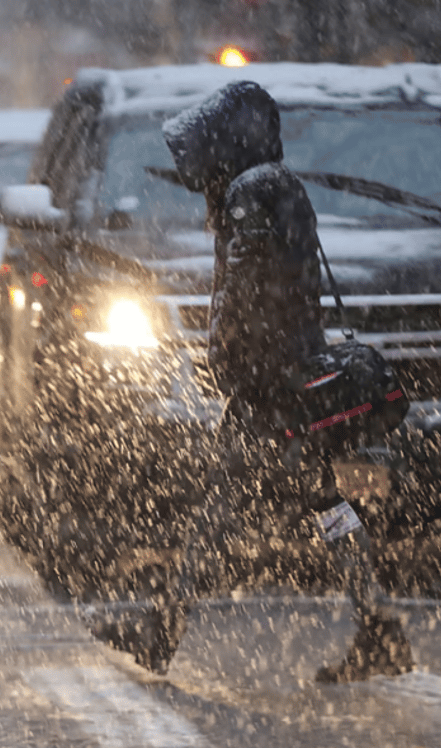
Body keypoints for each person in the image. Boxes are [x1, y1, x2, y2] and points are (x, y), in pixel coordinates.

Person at [90, 81, 415, 683]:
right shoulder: (274, 185)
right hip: (291, 377)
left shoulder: (250, 192)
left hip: (270, 390)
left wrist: (238, 366)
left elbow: (246, 295)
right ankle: (379, 627)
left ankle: (165, 631)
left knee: (219, 510)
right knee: (327, 505)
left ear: (227, 141)